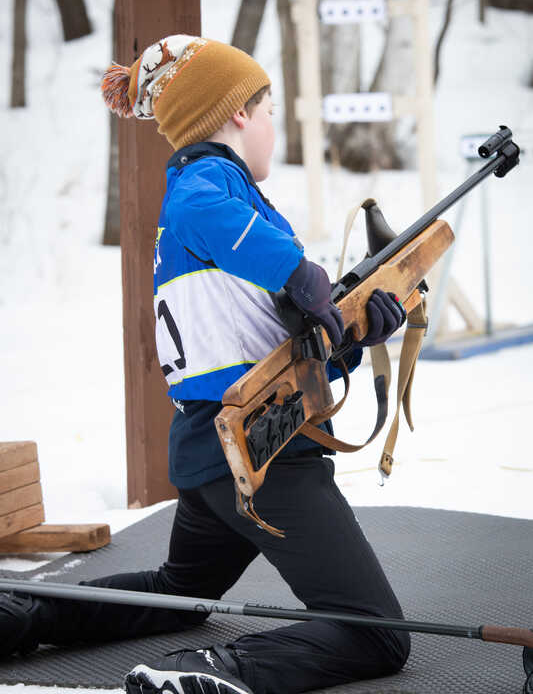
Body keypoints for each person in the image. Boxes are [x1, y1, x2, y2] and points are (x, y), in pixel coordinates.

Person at [0, 35, 410, 694]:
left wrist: (353, 337)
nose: (274, 128)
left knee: (179, 591)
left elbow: (261, 352)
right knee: (373, 632)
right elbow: (211, 218)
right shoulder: (207, 183)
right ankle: (211, 675)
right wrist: (296, 270)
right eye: (270, 110)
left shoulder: (219, 202)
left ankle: (18, 616)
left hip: (210, 446)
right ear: (238, 113)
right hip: (257, 449)